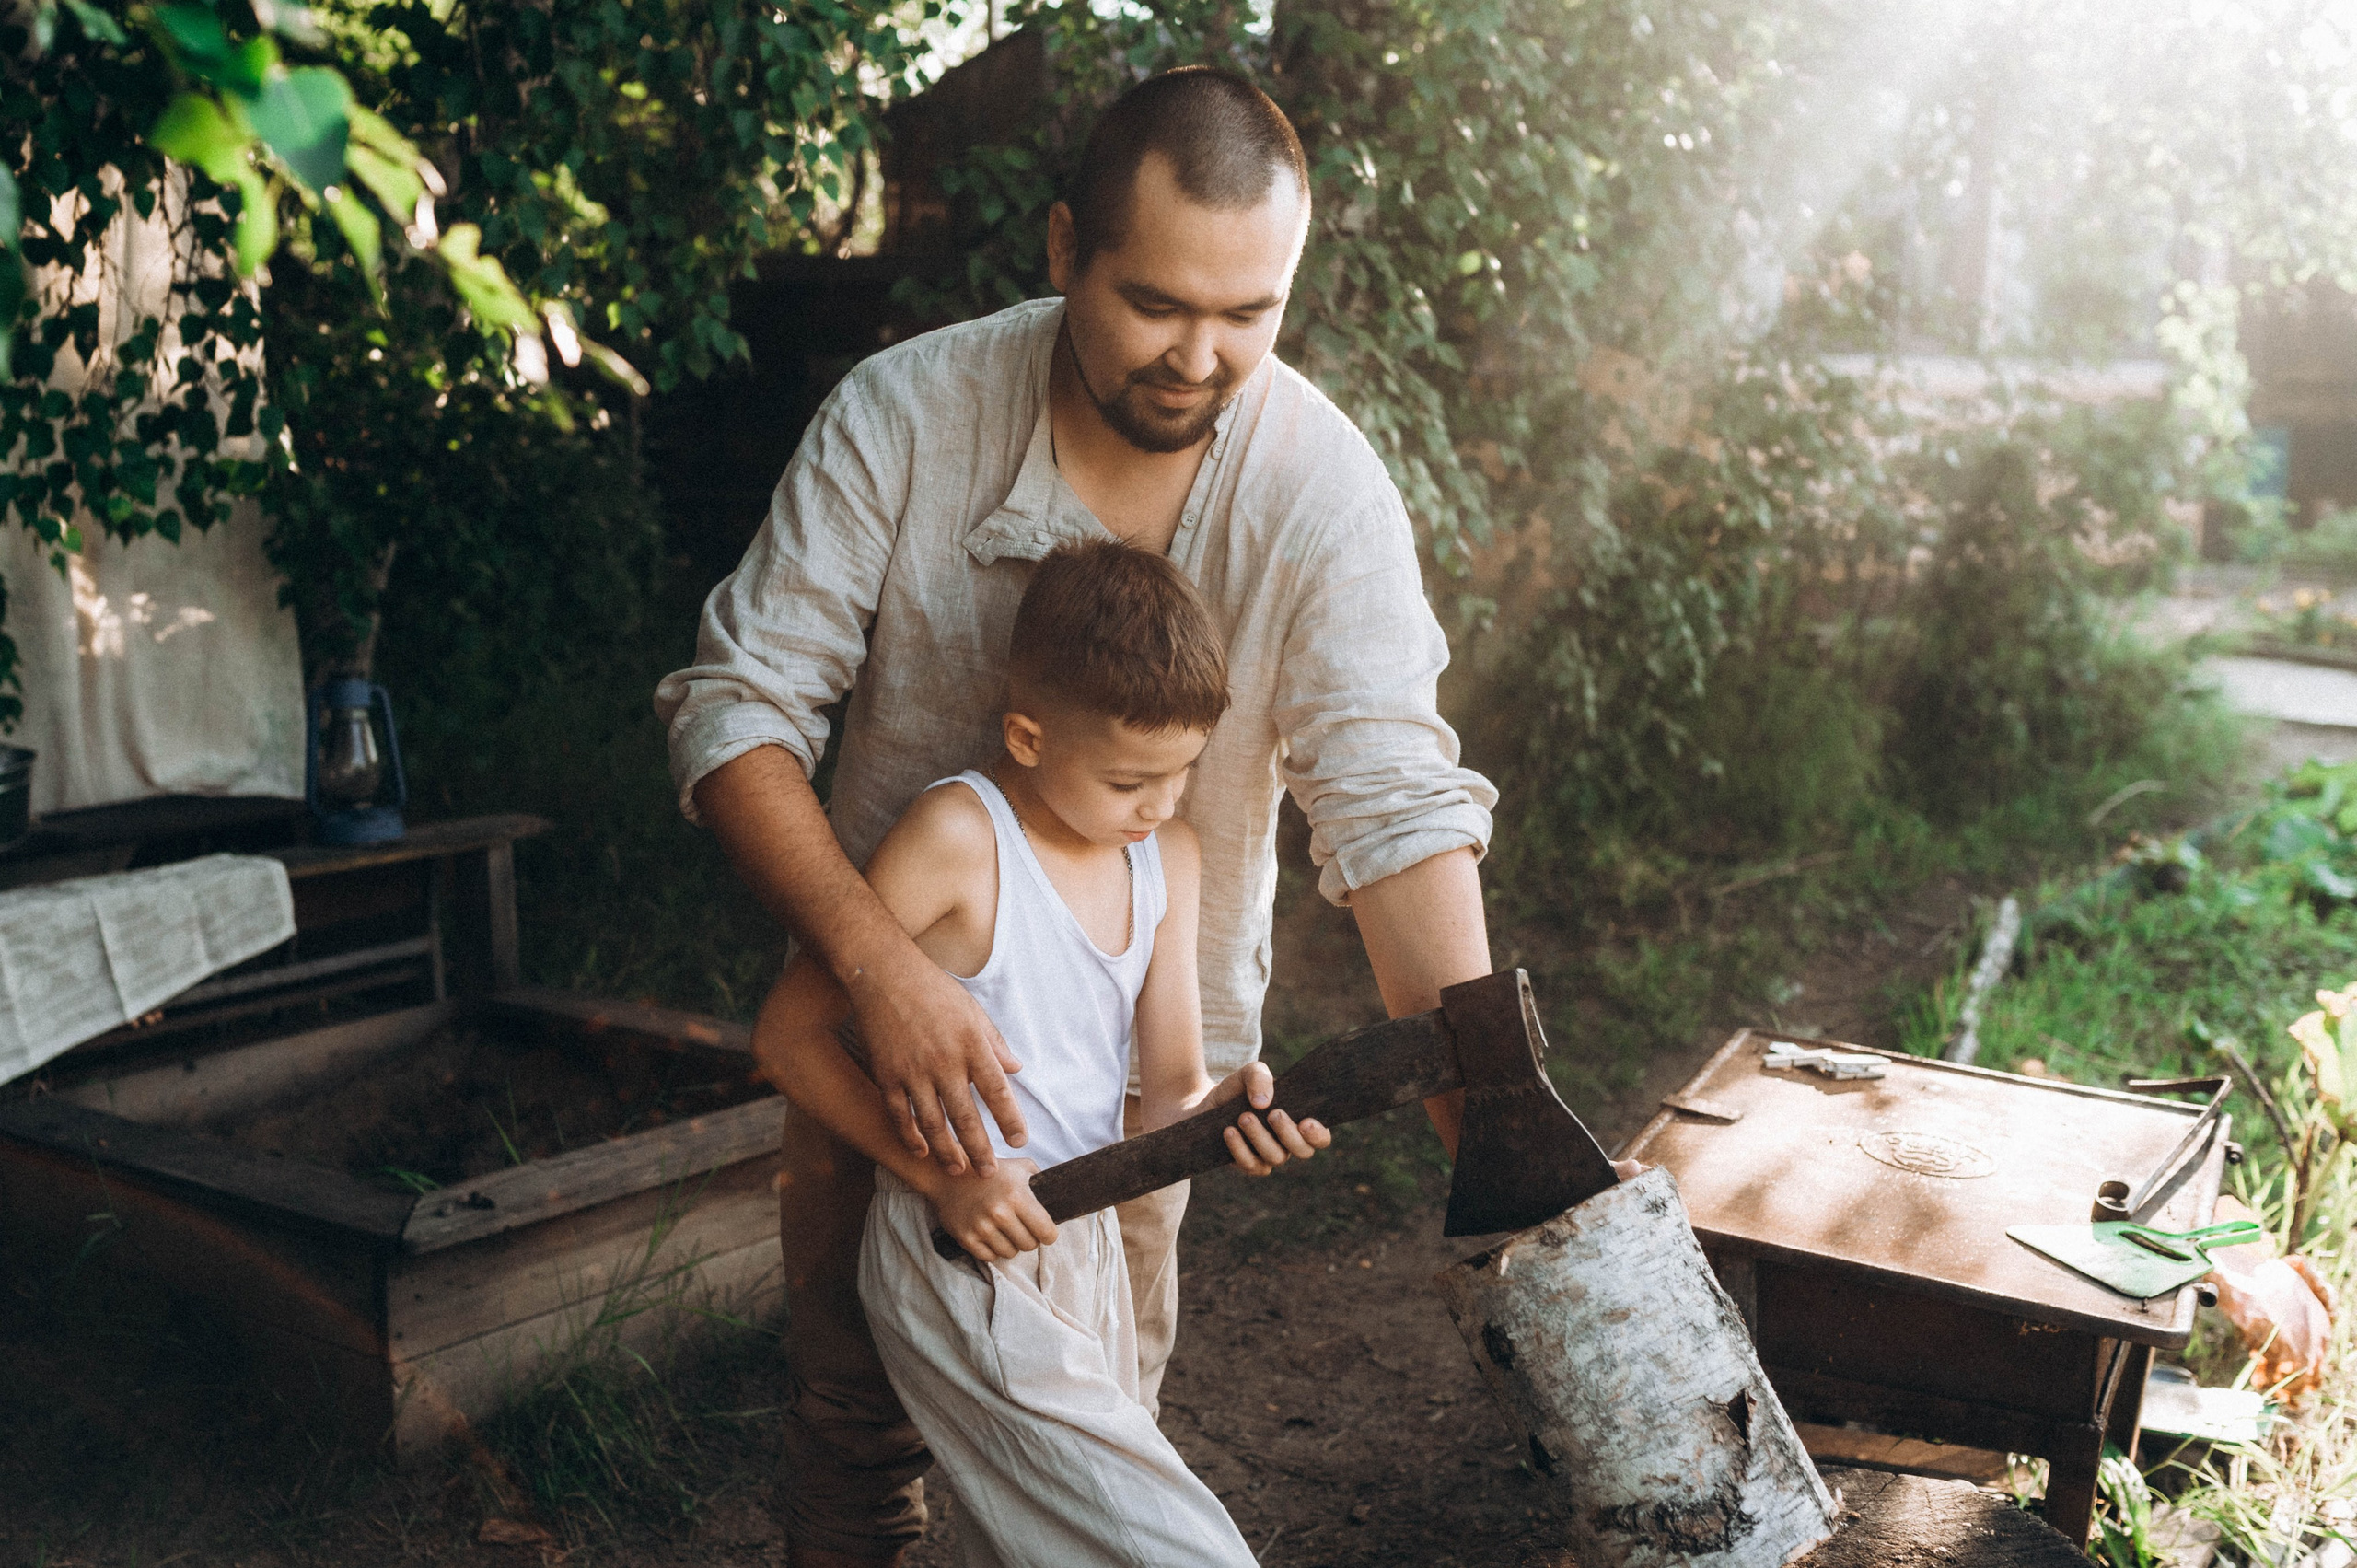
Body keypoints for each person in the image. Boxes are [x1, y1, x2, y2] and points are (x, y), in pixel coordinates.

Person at [656, 65, 1498, 1567]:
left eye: (1249, 313)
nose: (1201, 357)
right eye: (1157, 303)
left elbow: (1393, 803)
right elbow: (738, 709)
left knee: (1094, 1452)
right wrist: (881, 972)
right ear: (1064, 251)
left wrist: (1496, 1137)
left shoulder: (1322, 491)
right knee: (850, 1430)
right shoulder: (904, 416)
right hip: (873, 1043)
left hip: (1134, 1109)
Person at [756, 539, 1328, 1568]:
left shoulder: (1168, 857)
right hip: (958, 1244)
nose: (1160, 802)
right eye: (1128, 778)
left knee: (1034, 1544)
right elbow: (788, 1037)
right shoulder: (959, 837)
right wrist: (946, 1179)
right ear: (1028, 736)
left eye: (1183, 770)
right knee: (1168, 1544)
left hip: (1087, 1238)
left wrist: (1229, 1116)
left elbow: (1169, 1092)